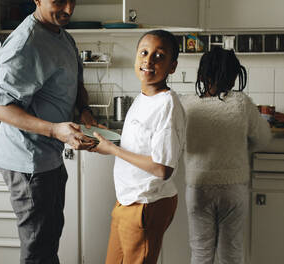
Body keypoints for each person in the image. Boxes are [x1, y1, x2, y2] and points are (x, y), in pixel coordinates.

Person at [0, 0, 100, 264]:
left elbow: (76, 82)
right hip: (28, 163)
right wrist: (55, 130)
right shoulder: (26, 43)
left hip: (48, 158)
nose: (69, 8)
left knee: (49, 241)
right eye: (59, 1)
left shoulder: (63, 36)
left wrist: (85, 111)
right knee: (38, 249)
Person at [90, 30, 186, 264]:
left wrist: (112, 150)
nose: (149, 60)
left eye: (159, 56)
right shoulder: (144, 96)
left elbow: (163, 169)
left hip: (146, 203)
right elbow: (140, 143)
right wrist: (106, 137)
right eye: (144, 52)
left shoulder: (167, 105)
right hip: (127, 199)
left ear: (172, 67)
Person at [181, 46, 272, 264]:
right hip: (233, 187)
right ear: (233, 78)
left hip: (198, 186)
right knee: (231, 253)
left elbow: (177, 141)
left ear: (202, 76)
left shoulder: (186, 105)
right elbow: (263, 138)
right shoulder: (241, 103)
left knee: (201, 252)